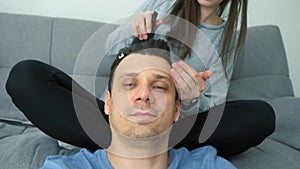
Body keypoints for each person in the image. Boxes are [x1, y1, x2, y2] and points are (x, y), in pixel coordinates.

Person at [5, 0, 275, 157]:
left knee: (262, 116)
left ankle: (125, 147)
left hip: (172, 126)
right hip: (115, 118)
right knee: (25, 75)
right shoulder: (163, 3)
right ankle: (133, 145)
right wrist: (131, 29)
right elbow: (110, 49)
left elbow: (213, 105)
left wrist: (193, 99)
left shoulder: (227, 37)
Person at [40, 39, 237, 169]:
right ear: (107, 103)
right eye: (129, 84)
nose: (143, 95)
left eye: (159, 86)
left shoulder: (210, 165)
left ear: (177, 109)